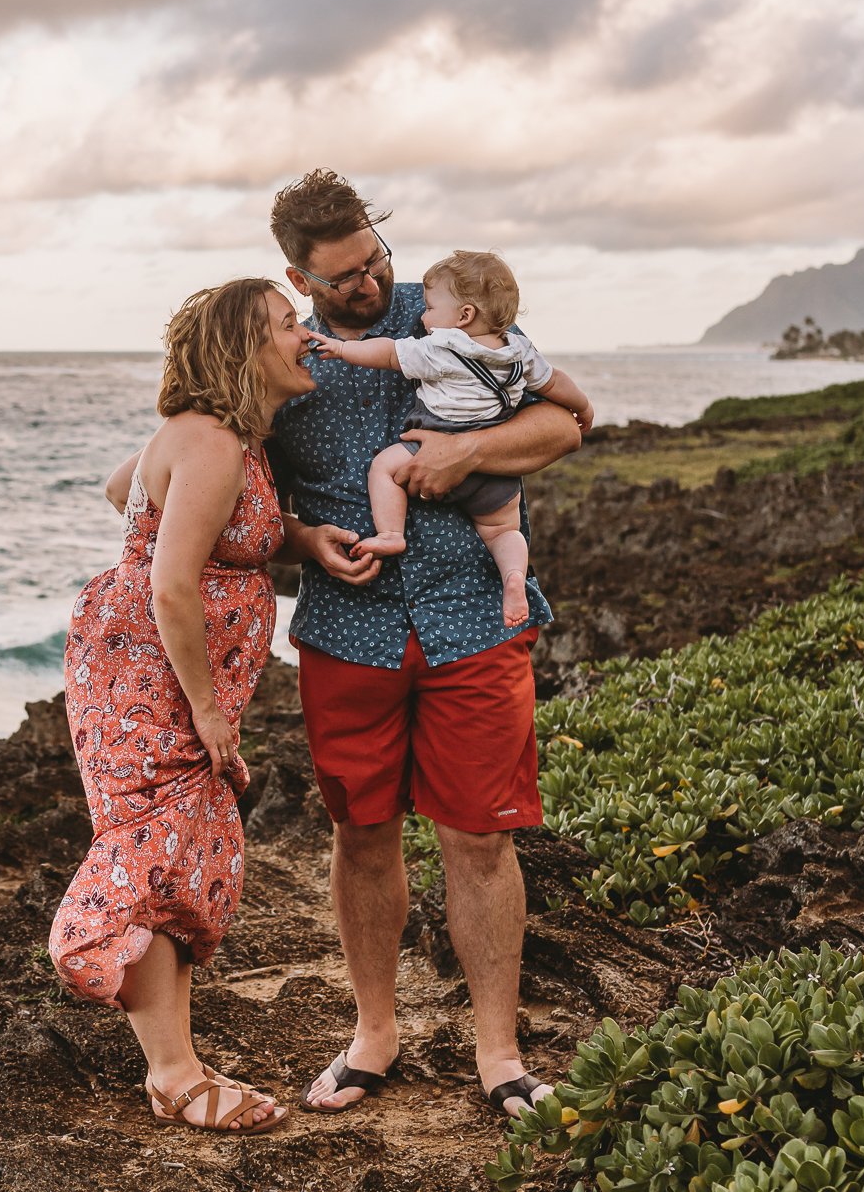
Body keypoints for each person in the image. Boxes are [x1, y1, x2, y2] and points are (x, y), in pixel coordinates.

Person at [262, 171, 587, 1122]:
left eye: (374, 259)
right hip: (345, 632)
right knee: (361, 834)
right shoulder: (281, 354)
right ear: (298, 275)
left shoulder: (454, 310)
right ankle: (374, 1036)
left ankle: (499, 1052)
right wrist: (301, 541)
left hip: (476, 618)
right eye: (343, 278)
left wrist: (469, 453)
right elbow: (236, 493)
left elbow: (568, 418)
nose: (369, 284)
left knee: (480, 835)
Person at [48, 278, 321, 1135]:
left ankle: (176, 1067)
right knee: (152, 846)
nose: (306, 334)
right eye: (288, 324)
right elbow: (170, 585)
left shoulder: (218, 439)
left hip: (141, 671)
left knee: (181, 844)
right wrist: (209, 707)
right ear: (245, 349)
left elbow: (119, 486)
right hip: (152, 683)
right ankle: (174, 1072)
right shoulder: (210, 441)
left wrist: (291, 539)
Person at [306, 249, 597, 626]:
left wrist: (344, 349)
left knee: (383, 467)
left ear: (464, 316)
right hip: (495, 473)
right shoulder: (518, 351)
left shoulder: (442, 347)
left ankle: (392, 533)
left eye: (429, 308)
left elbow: (389, 354)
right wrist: (585, 407)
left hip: (435, 439)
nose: (423, 316)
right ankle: (513, 576)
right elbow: (556, 382)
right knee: (503, 530)